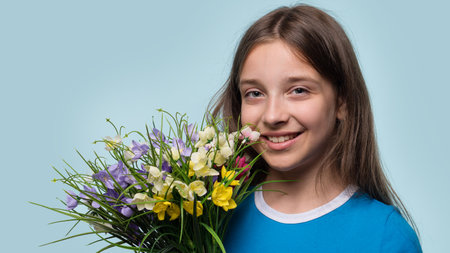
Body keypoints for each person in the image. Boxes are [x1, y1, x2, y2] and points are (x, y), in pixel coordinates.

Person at [209, 4, 422, 252]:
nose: (272, 115)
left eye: (299, 90)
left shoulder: (385, 237)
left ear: (342, 101)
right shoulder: (211, 221)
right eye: (255, 93)